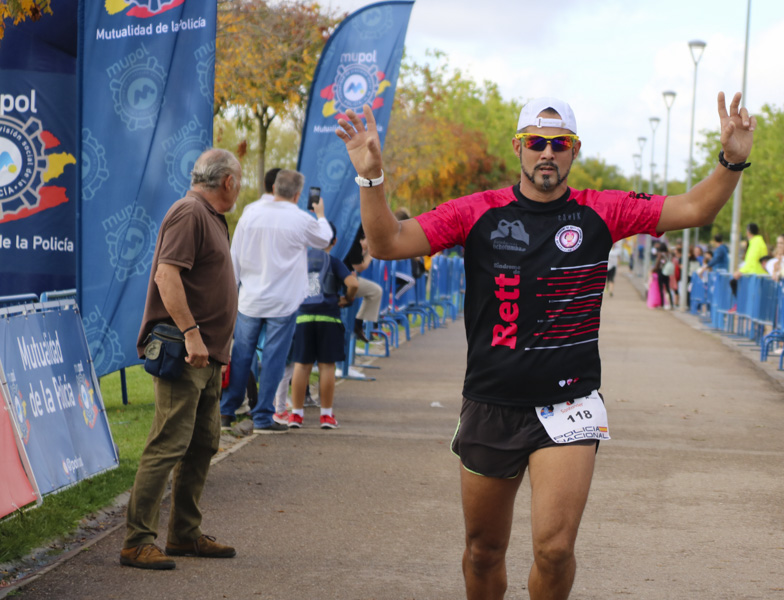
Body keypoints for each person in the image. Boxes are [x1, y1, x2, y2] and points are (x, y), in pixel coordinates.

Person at [335, 92, 755, 599]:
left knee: (554, 551)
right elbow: (387, 243)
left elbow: (695, 207)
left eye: (559, 144)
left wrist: (732, 159)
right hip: (491, 402)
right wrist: (371, 177)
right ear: (519, 147)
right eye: (537, 143)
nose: (547, 153)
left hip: (569, 403)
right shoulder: (477, 212)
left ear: (574, 151)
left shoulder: (602, 210)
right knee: (482, 551)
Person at [121, 149, 241, 570]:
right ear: (228, 181)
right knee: (168, 442)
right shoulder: (189, 213)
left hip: (206, 356)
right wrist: (192, 334)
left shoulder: (208, 216)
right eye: (239, 180)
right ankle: (137, 541)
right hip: (184, 351)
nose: (240, 186)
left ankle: (184, 535)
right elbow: (166, 275)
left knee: (202, 443)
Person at [220, 169, 332, 432]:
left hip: (250, 298)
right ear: (297, 194)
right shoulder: (300, 219)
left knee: (241, 355)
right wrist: (322, 215)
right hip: (283, 302)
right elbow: (324, 239)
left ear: (273, 188)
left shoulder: (251, 212)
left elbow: (234, 255)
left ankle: (227, 411)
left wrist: (232, 291)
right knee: (273, 359)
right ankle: (262, 416)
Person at [288, 221, 359, 429]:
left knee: (301, 365)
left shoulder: (300, 261)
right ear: (334, 241)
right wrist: (347, 299)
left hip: (303, 318)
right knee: (327, 366)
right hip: (329, 317)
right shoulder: (334, 261)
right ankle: (326, 415)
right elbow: (353, 284)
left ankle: (296, 415)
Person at [344, 227, 384, 343]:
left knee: (375, 290)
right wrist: (370, 255)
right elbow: (359, 266)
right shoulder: (354, 238)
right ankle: (357, 324)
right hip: (343, 281)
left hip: (344, 279)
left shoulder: (352, 235)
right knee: (374, 291)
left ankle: (358, 323)